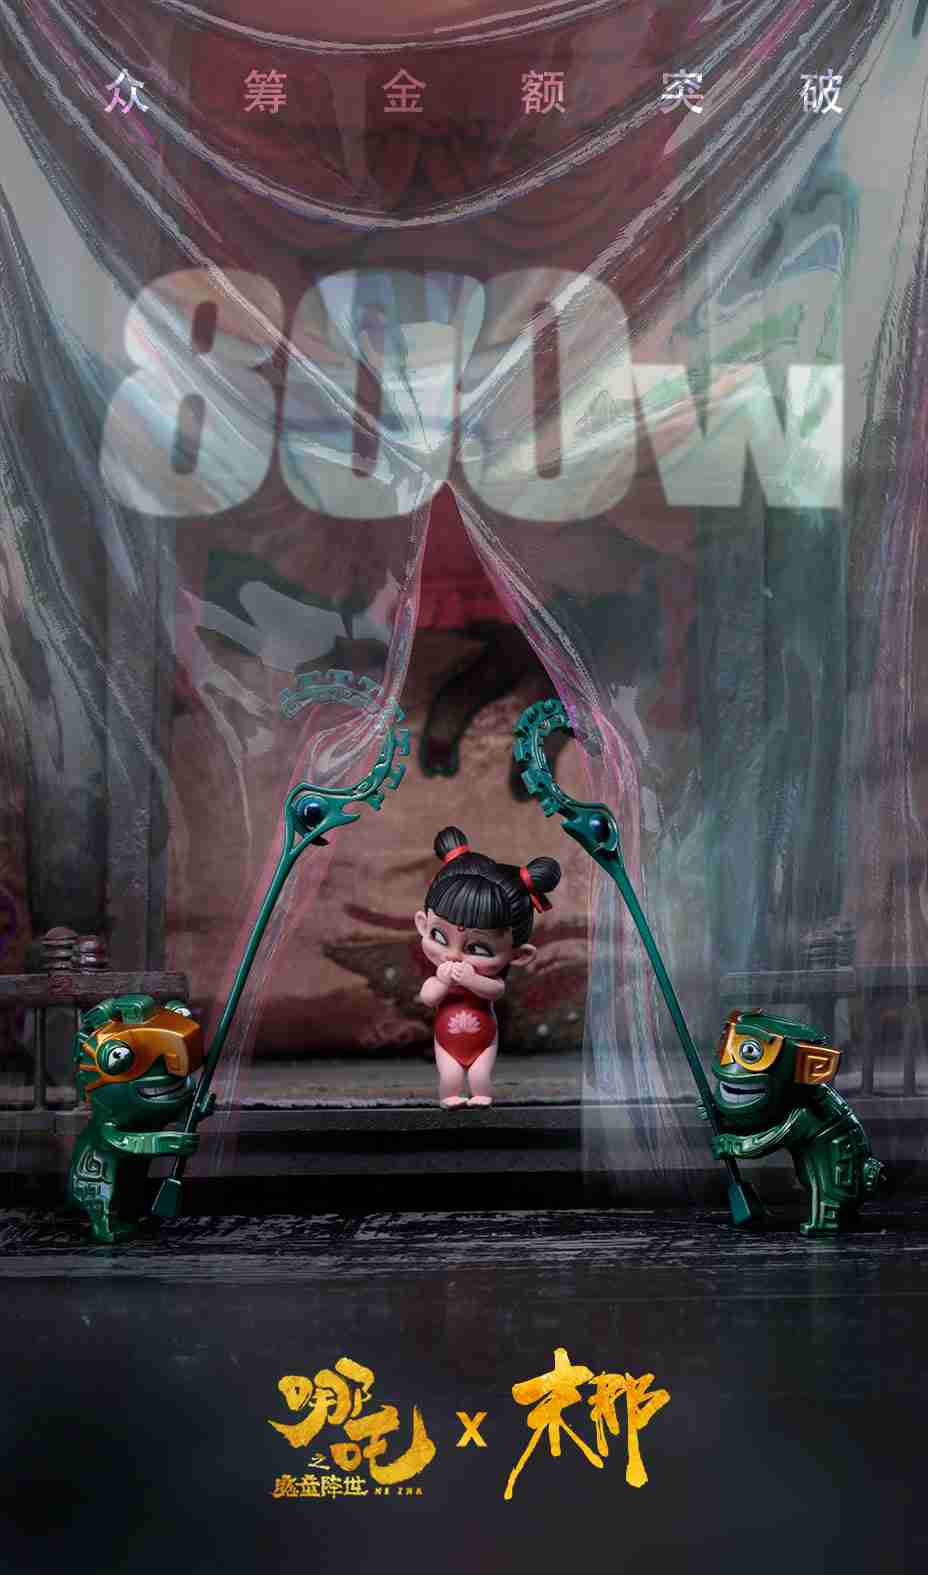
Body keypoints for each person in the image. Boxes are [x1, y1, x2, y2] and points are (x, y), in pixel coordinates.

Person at [415, 825, 560, 1107]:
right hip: (446, 1041)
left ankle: (481, 1096)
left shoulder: (487, 982)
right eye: (440, 936)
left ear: (518, 955)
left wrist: (471, 979)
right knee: (450, 1077)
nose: (453, 955)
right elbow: (429, 998)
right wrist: (442, 981)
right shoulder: (441, 977)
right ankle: (450, 1097)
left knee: (480, 1076)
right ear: (422, 924)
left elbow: (495, 991)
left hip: (484, 1041)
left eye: (478, 949)